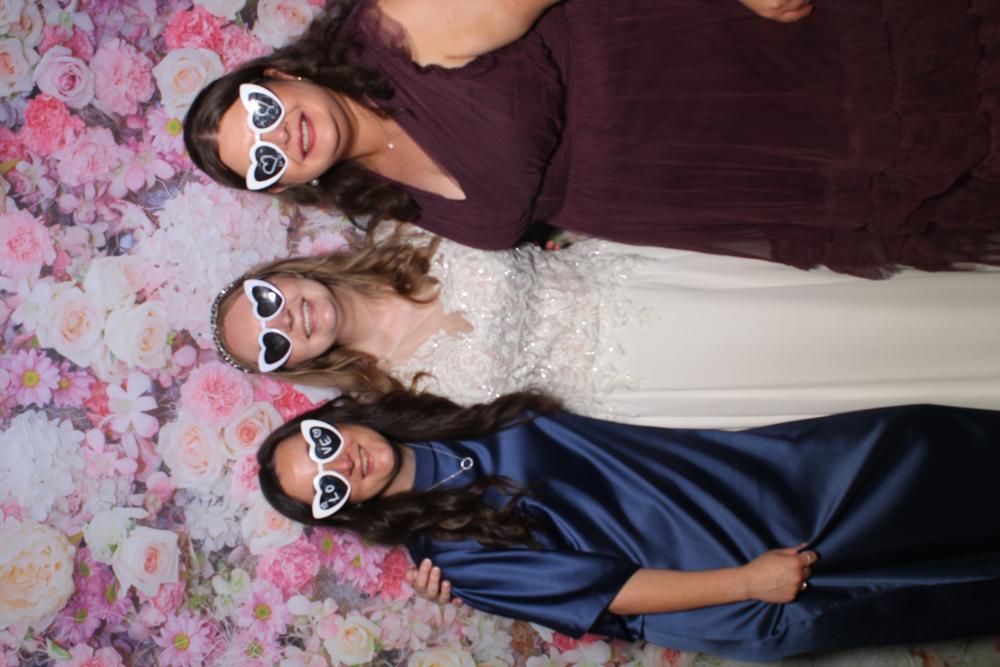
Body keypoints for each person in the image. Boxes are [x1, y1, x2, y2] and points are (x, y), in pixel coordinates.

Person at [183, 0, 1000, 277]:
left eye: (261, 109)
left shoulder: (393, 29)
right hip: (696, 186)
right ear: (284, 183)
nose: (283, 135)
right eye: (265, 159)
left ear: (279, 74)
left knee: (945, 100)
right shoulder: (386, 197)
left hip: (706, 70)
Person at [256, 390, 1000, 661]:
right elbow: (607, 592)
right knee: (948, 576)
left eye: (321, 446)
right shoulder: (452, 557)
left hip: (756, 486)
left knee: (933, 451)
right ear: (346, 511)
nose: (341, 464)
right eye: (327, 489)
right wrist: (749, 580)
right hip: (734, 576)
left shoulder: (452, 416)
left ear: (335, 418)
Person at [210, 229, 1000, 429]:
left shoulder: (401, 229)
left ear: (286, 273)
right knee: (838, 372)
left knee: (842, 296)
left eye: (269, 300)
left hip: (655, 274)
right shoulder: (394, 404)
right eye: (273, 342)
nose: (289, 319)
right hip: (650, 381)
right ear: (293, 364)